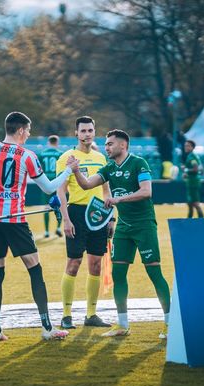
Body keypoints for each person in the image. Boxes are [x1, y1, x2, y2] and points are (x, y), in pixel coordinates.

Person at [0, 111, 77, 341]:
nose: (28, 135)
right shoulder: (27, 155)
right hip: (15, 220)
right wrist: (69, 170)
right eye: (28, 131)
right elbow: (49, 188)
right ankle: (47, 328)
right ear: (20, 130)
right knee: (35, 269)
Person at [70, 129, 171, 338]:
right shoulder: (109, 168)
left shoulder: (138, 163)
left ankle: (170, 323)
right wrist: (76, 171)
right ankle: (123, 325)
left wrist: (118, 199)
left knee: (154, 273)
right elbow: (86, 185)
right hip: (124, 227)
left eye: (110, 144)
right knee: (118, 274)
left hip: (144, 225)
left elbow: (147, 192)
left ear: (123, 145)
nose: (106, 147)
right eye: (106, 144)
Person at [55, 116, 113, 330]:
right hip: (77, 213)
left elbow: (106, 189)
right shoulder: (66, 158)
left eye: (90, 130)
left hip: (99, 214)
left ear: (94, 132)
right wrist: (66, 219)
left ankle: (91, 314)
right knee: (74, 263)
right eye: (83, 131)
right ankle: (66, 315)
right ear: (76, 133)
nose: (87, 134)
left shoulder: (101, 157)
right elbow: (60, 191)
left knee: (96, 264)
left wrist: (111, 216)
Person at [37, 134, 63, 238]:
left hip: (46, 182)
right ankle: (58, 228)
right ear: (57, 142)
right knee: (60, 205)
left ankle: (47, 232)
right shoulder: (60, 154)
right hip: (57, 182)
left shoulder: (42, 154)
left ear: (48, 142)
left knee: (46, 207)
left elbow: (38, 169)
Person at [182, 140, 204, 218]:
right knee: (190, 203)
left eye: (188, 146)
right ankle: (189, 220)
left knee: (195, 203)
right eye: (185, 145)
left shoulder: (192, 157)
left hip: (193, 182)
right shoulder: (192, 156)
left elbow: (196, 169)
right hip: (192, 181)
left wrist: (186, 170)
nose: (186, 147)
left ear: (192, 147)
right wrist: (186, 173)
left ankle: (201, 220)